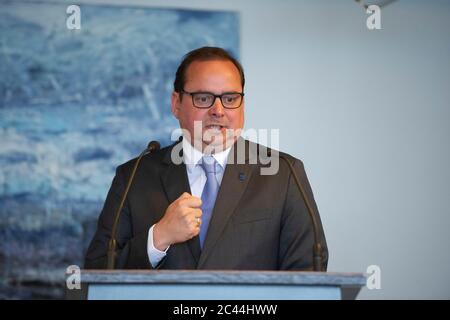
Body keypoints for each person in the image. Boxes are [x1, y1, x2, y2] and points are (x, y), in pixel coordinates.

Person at [85, 46, 328, 270]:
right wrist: (158, 238)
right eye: (203, 98)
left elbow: (307, 271)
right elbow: (97, 271)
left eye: (230, 99)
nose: (218, 110)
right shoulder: (134, 176)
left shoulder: (283, 173)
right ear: (176, 104)